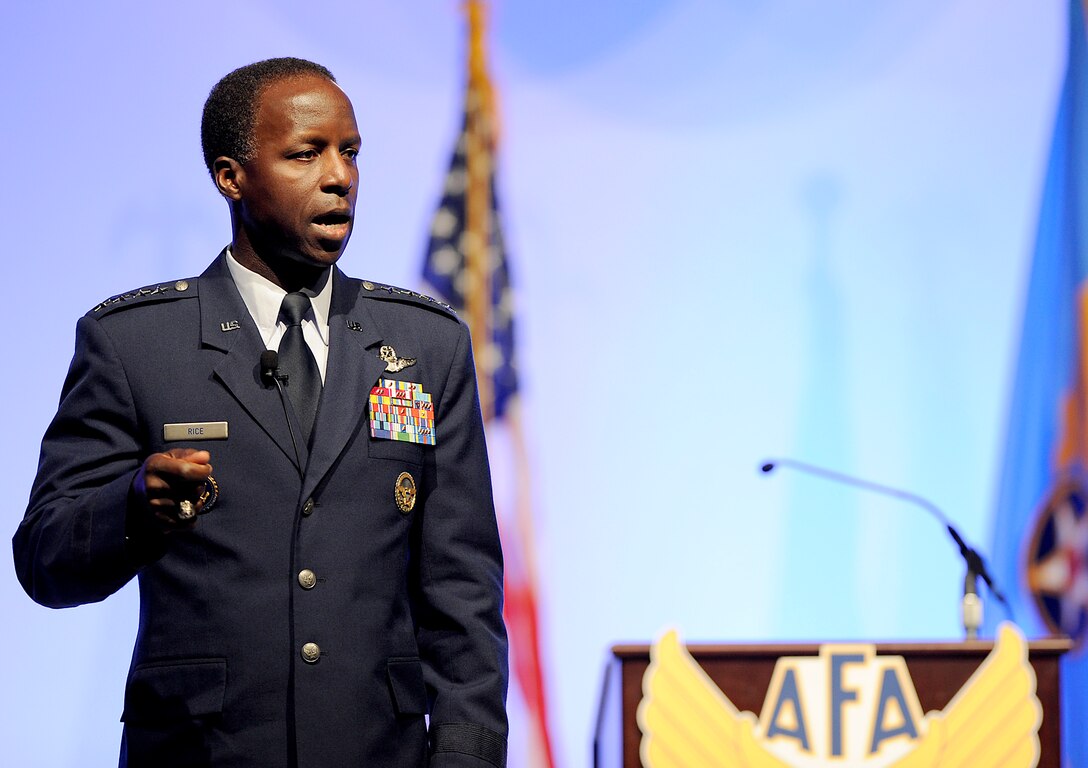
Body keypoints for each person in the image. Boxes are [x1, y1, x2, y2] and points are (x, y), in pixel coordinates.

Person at [13, 57, 508, 768]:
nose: (339, 176)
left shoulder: (427, 344)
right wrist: (132, 508)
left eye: (350, 151)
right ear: (231, 177)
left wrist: (467, 757)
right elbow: (43, 562)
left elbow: (462, 591)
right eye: (306, 153)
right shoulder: (133, 344)